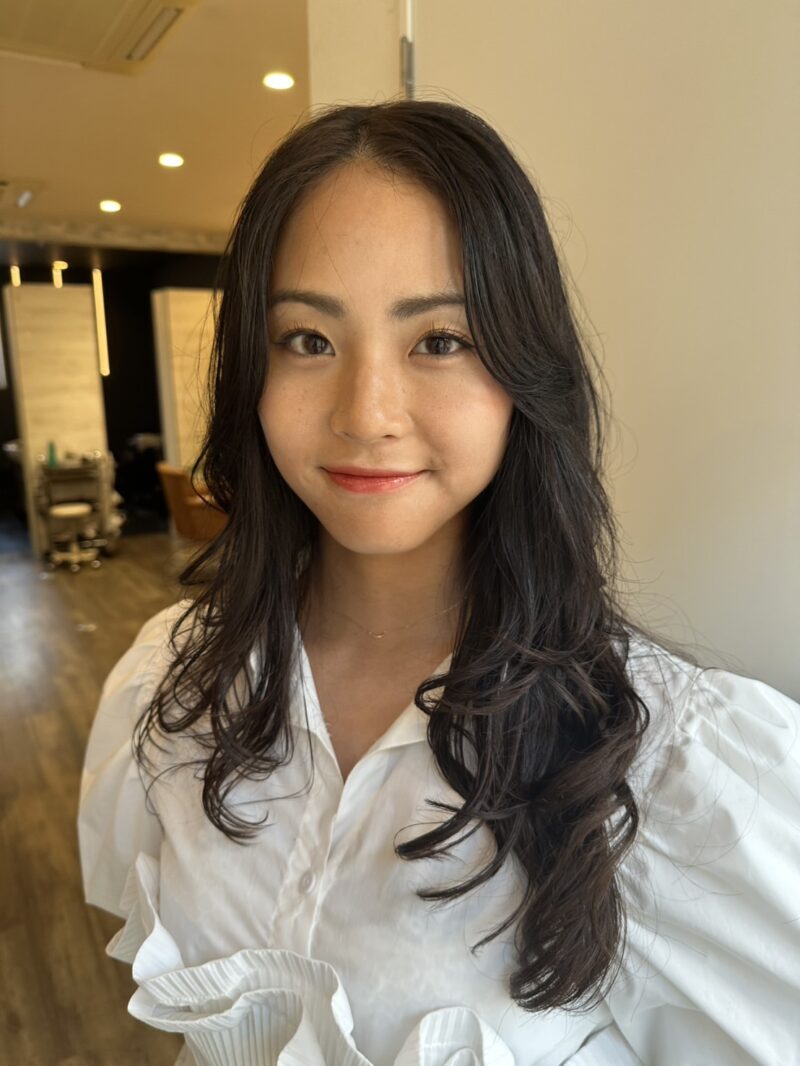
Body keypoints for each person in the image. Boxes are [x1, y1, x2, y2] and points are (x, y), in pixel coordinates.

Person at [78, 99, 800, 1066]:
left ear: (523, 372)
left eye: (440, 340)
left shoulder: (668, 765)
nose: (366, 413)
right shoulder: (172, 686)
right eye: (308, 339)